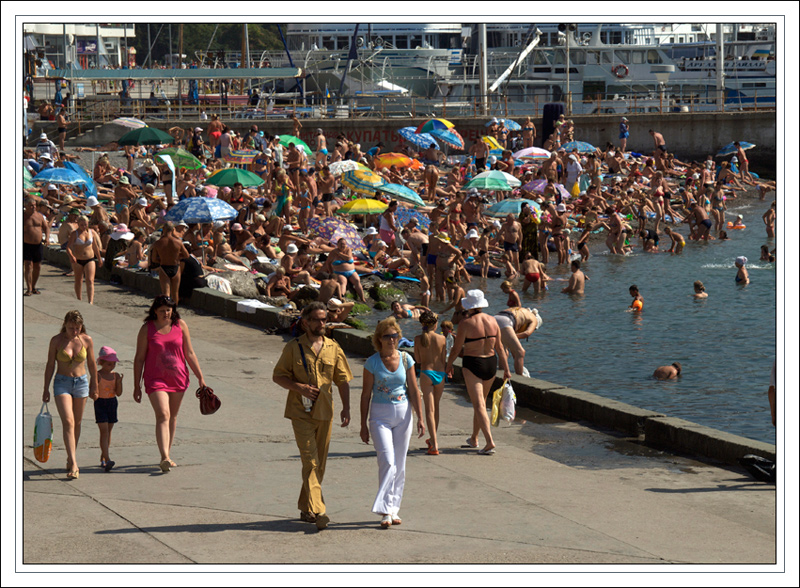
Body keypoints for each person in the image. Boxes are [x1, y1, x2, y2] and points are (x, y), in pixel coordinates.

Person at [273, 302, 353, 530]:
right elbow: (278, 376)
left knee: (319, 465)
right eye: (317, 319)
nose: (322, 324)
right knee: (310, 460)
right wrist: (299, 388)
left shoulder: (333, 347)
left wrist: (346, 408)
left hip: (325, 411)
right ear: (306, 322)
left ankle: (305, 505)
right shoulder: (292, 347)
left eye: (324, 319)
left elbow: (343, 380)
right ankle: (319, 510)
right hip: (300, 412)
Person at [360, 317, 425, 528]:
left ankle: (393, 509)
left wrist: (421, 418)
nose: (392, 340)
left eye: (395, 336)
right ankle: (385, 509)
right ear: (379, 339)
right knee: (387, 461)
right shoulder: (372, 363)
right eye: (387, 336)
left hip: (404, 414)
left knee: (400, 464)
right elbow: (365, 395)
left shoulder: (406, 359)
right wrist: (362, 424)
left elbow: (414, 390)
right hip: (379, 415)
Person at [133, 295, 207, 473]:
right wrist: (137, 385)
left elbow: (189, 353)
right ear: (154, 312)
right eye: (161, 310)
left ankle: (167, 454)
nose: (166, 313)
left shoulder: (180, 325)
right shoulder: (147, 329)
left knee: (172, 416)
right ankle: (164, 456)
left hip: (178, 377)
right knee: (163, 414)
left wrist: (200, 377)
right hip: (155, 379)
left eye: (168, 309)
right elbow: (139, 358)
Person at [446, 290, 511, 455]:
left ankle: (489, 441)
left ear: (469, 306)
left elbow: (456, 348)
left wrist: (449, 364)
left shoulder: (465, 324)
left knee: (479, 404)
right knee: (481, 402)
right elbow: (500, 348)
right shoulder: (493, 320)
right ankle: (474, 438)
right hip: (491, 363)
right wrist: (507, 369)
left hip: (473, 363)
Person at [42, 310, 98, 479]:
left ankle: (70, 455)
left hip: (81, 383)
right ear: (65, 324)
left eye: (77, 328)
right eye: (71, 328)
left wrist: (95, 385)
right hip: (62, 383)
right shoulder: (56, 341)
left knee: (77, 423)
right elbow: (50, 365)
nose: (74, 331)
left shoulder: (86, 340)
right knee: (68, 421)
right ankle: (74, 463)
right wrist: (45, 388)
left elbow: (92, 364)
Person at [414, 311, 447, 456]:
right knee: (437, 408)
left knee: (429, 410)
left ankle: (434, 444)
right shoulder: (442, 338)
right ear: (435, 324)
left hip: (426, 373)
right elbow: (443, 359)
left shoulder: (418, 339)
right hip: (440, 374)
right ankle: (433, 439)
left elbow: (418, 360)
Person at [94, 346, 123, 472]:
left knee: (108, 432)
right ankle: (107, 457)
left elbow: (119, 393)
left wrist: (120, 382)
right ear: (101, 363)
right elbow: (92, 393)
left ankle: (103, 456)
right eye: (108, 364)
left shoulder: (115, 375)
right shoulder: (97, 375)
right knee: (104, 431)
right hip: (100, 403)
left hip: (112, 402)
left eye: (113, 364)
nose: (111, 366)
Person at [66, 215, 104, 304]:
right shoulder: (74, 234)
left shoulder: (92, 232)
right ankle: (79, 299)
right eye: (82, 225)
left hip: (89, 259)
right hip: (78, 259)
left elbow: (95, 246)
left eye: (85, 224)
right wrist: (71, 256)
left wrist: (99, 258)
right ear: (78, 224)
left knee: (90, 280)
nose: (84, 227)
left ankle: (90, 301)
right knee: (78, 280)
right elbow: (68, 247)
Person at [493, 306, 542, 376]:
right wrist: (513, 337)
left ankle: (501, 373)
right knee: (520, 352)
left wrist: (510, 337)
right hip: (506, 321)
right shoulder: (534, 319)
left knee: (503, 351)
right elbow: (527, 333)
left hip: (494, 319)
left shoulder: (523, 310)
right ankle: (520, 379)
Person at [151, 222, 190, 304]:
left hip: (164, 267)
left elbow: (154, 259)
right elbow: (187, 255)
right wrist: (178, 257)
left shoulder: (158, 243)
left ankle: (167, 309)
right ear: (173, 230)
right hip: (175, 266)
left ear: (164, 229)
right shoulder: (178, 242)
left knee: (166, 293)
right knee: (175, 293)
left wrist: (162, 259)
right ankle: (174, 311)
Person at [23, 198, 50, 296]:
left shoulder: (39, 216)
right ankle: (29, 288)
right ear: (25, 206)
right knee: (28, 266)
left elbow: (46, 228)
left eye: (34, 205)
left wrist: (47, 238)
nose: (33, 207)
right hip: (26, 244)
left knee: (37, 266)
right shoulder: (22, 216)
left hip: (38, 245)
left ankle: (34, 286)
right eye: (31, 205)